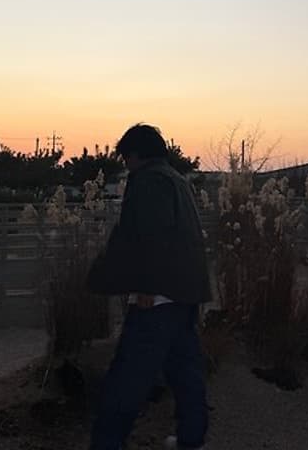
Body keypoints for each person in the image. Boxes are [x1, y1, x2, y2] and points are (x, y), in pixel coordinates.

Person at [87, 123, 211, 450]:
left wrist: (145, 286)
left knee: (128, 376)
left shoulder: (149, 180)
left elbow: (149, 236)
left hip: (157, 295)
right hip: (185, 291)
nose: (126, 166)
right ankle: (191, 438)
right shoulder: (177, 180)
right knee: (185, 370)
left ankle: (106, 443)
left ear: (135, 154)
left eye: (126, 158)